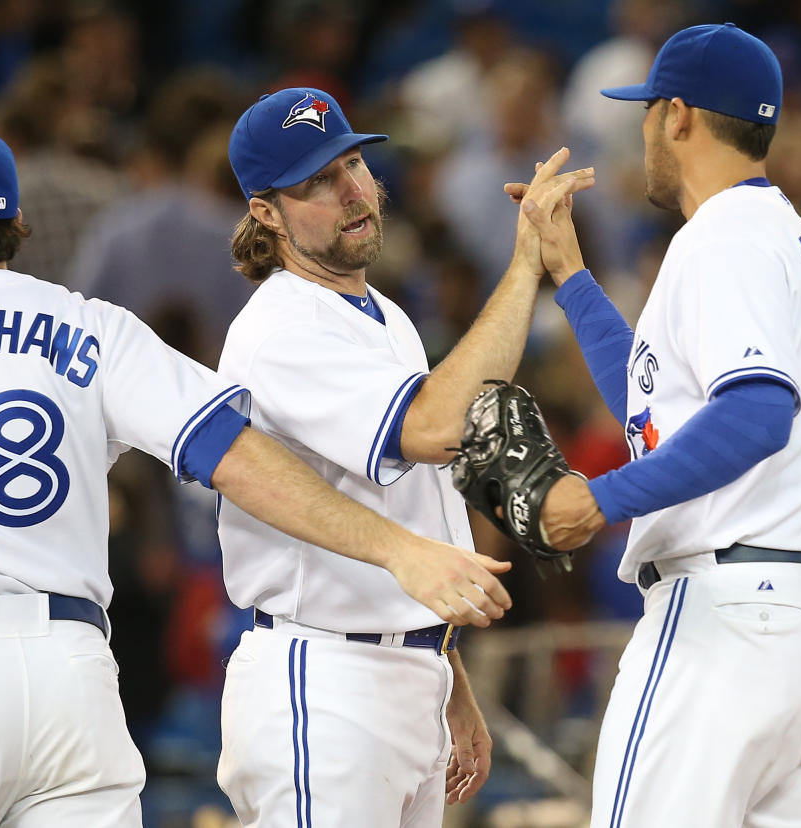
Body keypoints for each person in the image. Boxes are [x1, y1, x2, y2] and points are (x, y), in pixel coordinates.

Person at [0, 119, 511, 828]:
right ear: (16, 221)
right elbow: (237, 457)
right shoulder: (89, 325)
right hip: (73, 679)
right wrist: (399, 549)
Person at [509, 24, 801, 827]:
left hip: (727, 620)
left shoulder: (721, 239)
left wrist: (600, 498)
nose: (641, 131)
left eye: (645, 113)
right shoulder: (792, 241)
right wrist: (568, 275)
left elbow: (753, 413)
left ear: (678, 115)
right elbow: (659, 401)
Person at [215, 87, 592, 826]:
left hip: (403, 670)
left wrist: (448, 681)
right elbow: (429, 427)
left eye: (353, 163)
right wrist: (525, 265)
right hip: (323, 678)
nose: (353, 191)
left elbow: (416, 506)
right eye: (317, 182)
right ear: (266, 213)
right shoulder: (281, 328)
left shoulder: (380, 314)